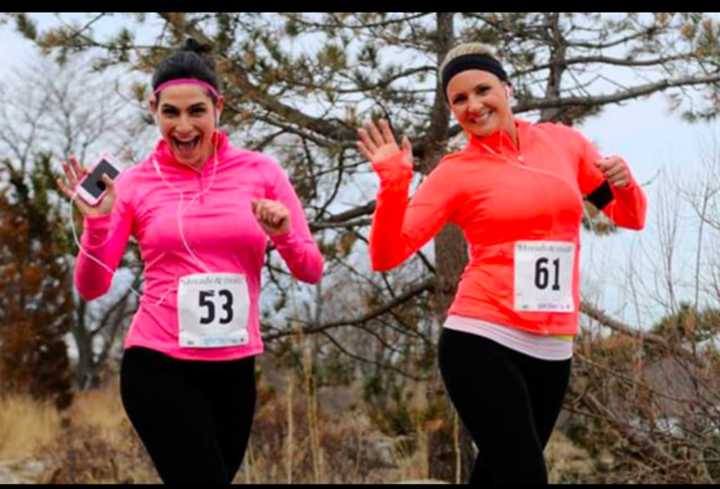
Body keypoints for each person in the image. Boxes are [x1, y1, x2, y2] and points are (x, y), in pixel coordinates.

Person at [356, 42, 646, 484]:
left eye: (482, 90)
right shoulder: (456, 172)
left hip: (553, 346)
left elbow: (631, 216)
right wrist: (394, 185)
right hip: (482, 336)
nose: (473, 105)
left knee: (498, 474)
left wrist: (624, 182)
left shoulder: (563, 144)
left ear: (507, 89)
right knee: (525, 474)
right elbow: (385, 255)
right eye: (459, 99)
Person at [56, 38, 324, 484]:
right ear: (154, 110)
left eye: (196, 111)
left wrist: (283, 235)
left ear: (219, 108)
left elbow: (311, 270)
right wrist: (97, 226)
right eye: (170, 113)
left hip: (235, 367)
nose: (183, 126)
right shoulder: (134, 184)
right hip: (157, 364)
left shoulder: (262, 172)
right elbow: (91, 288)